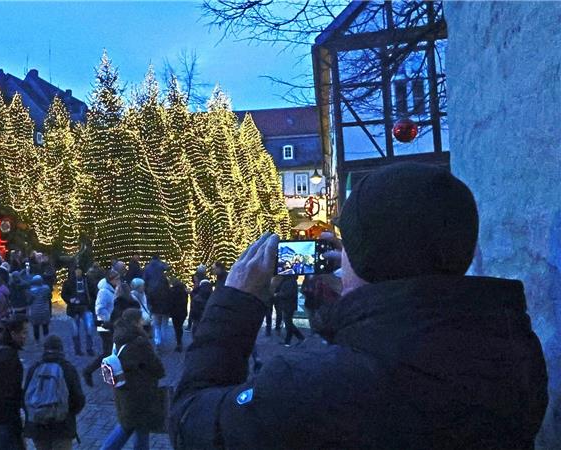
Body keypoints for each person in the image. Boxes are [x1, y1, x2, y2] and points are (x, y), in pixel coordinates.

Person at [169, 163, 548, 448]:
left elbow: (190, 419)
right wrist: (351, 309)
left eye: (347, 246)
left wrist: (236, 302)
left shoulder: (310, 386)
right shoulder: (514, 350)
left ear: (365, 256)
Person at [102, 309, 165, 450]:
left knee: (137, 425)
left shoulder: (119, 338)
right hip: (140, 392)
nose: (143, 322)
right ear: (136, 322)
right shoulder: (139, 343)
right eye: (141, 320)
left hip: (124, 389)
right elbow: (157, 367)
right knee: (129, 426)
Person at [24, 335, 86, 450]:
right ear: (61, 349)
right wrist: (67, 412)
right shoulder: (67, 369)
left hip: (39, 427)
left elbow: (25, 397)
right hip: (62, 427)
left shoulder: (34, 368)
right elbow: (79, 399)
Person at [0, 315, 29, 450]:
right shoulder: (8, 356)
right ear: (13, 333)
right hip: (5, 418)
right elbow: (8, 391)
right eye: (24, 332)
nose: (26, 336)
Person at [82, 269, 120, 387]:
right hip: (105, 325)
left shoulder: (112, 290)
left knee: (110, 351)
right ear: (111, 280)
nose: (119, 281)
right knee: (108, 352)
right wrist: (109, 319)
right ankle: (89, 371)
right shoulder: (104, 291)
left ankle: (110, 373)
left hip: (110, 325)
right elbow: (99, 308)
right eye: (117, 279)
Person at [61, 267, 96, 356]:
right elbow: (64, 294)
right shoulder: (68, 282)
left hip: (85, 307)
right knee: (75, 330)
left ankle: (89, 348)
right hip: (74, 308)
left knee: (89, 329)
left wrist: (91, 302)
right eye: (76, 270)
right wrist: (70, 299)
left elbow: (93, 292)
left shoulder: (87, 281)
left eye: (79, 270)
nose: (78, 272)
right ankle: (77, 349)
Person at [143, 256, 171, 349]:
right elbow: (167, 267)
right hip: (165, 302)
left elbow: (145, 281)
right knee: (164, 324)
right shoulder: (162, 270)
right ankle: (163, 341)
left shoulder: (147, 268)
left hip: (153, 297)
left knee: (156, 323)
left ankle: (158, 341)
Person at [273, 275, 305, 346]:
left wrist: (277, 294)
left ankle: (300, 337)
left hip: (288, 305)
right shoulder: (291, 281)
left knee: (288, 323)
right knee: (288, 323)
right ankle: (288, 341)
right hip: (288, 305)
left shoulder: (289, 282)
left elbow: (287, 294)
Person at [29, 274, 52, 342]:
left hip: (35, 311)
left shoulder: (31, 290)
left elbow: (29, 301)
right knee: (45, 326)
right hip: (45, 310)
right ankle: (46, 339)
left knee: (36, 326)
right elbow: (50, 297)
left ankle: (37, 340)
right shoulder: (46, 288)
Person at [168, 278, 188, 352]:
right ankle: (179, 341)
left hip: (175, 313)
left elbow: (170, 302)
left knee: (177, 327)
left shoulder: (171, 291)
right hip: (183, 312)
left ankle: (178, 342)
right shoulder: (184, 292)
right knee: (180, 327)